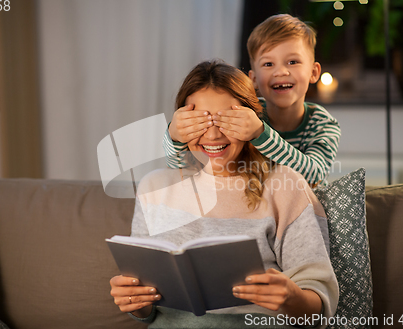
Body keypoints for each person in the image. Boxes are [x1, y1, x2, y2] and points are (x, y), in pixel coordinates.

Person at [110, 60, 338, 328]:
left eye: (227, 120)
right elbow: (146, 311)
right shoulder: (154, 187)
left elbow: (318, 307)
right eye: (200, 122)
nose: (214, 135)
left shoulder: (284, 185)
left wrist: (290, 297)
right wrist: (137, 303)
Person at [164, 14, 341, 187]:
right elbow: (182, 166)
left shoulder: (323, 124)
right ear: (253, 79)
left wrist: (259, 133)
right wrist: (174, 136)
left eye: (292, 62)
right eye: (268, 64)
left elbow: (314, 174)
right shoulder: (247, 113)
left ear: (314, 72)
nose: (281, 72)